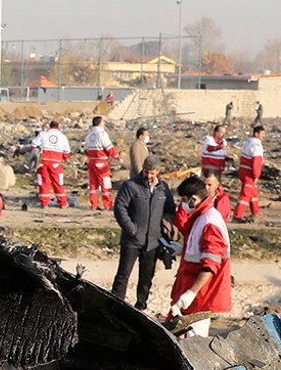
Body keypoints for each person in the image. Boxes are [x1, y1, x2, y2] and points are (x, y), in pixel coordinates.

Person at [164, 175, 230, 338]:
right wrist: (182, 249)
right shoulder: (202, 218)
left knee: (194, 338)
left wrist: (192, 293)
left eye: (184, 200)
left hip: (200, 296)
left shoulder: (209, 221)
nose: (183, 205)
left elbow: (211, 265)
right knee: (176, 332)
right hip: (192, 291)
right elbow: (200, 249)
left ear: (193, 199)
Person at [112, 156, 177, 310]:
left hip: (153, 242)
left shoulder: (164, 188)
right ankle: (114, 305)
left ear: (158, 171)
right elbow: (120, 208)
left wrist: (165, 225)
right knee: (123, 275)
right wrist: (131, 229)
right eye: (147, 172)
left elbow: (170, 209)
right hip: (132, 240)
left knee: (146, 277)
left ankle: (141, 306)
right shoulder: (130, 186)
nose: (149, 176)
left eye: (152, 173)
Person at [29, 121, 72, 208]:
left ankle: (44, 203)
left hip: (43, 162)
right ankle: (63, 203)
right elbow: (67, 153)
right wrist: (60, 158)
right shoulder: (62, 137)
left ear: (50, 127)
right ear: (58, 127)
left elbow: (32, 147)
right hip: (56, 163)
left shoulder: (42, 134)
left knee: (44, 183)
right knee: (58, 183)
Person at [80, 115, 117, 211]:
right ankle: (107, 205)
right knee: (106, 184)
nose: (104, 123)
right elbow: (109, 148)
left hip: (92, 161)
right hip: (102, 162)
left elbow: (86, 149)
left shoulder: (89, 135)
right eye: (103, 122)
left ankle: (94, 205)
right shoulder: (102, 134)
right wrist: (118, 157)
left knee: (93, 184)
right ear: (100, 123)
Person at [234, 125, 265, 221]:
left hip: (243, 170)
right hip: (249, 173)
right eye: (262, 134)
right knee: (246, 194)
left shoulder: (248, 142)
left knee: (253, 193)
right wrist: (256, 175)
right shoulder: (257, 146)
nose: (263, 136)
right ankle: (237, 216)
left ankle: (256, 213)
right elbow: (257, 162)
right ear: (256, 134)